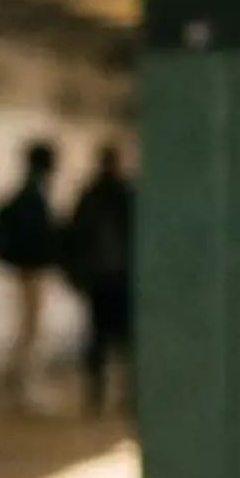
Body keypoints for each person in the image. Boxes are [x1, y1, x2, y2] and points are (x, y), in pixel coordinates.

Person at [0, 142, 65, 410]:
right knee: (31, 331)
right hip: (32, 271)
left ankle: (22, 384)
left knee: (29, 329)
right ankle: (23, 387)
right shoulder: (34, 196)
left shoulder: (27, 193)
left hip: (28, 269)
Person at [63, 141, 136, 416]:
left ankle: (98, 396)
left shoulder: (90, 196)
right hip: (119, 279)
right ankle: (122, 395)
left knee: (98, 339)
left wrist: (79, 276)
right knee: (120, 340)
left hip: (101, 280)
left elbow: (74, 238)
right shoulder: (127, 195)